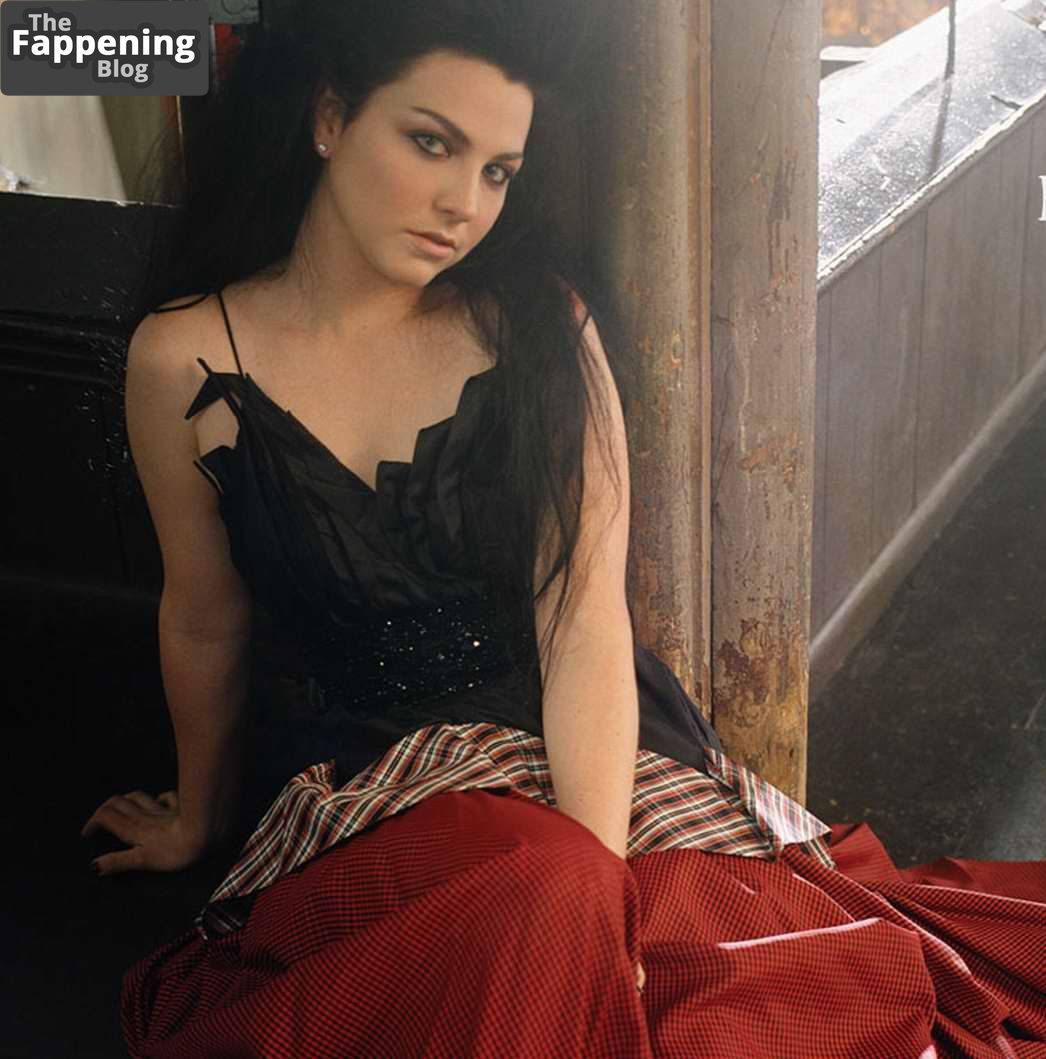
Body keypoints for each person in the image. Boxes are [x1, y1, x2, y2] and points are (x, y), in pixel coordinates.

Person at [80, 2, 1045, 1056]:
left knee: (728, 1006)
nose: (463, 204)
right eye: (431, 142)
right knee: (537, 931)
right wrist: (196, 818)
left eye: (497, 171)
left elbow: (582, 617)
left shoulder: (540, 326)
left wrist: (598, 883)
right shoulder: (182, 357)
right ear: (328, 117)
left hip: (578, 749)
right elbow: (204, 618)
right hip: (364, 782)